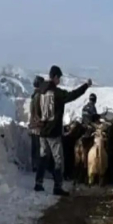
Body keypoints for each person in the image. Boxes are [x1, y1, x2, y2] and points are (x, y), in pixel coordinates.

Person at [35, 65, 91, 196]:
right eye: (58, 78)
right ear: (55, 77)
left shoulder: (40, 93)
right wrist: (85, 86)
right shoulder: (56, 93)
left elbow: (37, 111)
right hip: (54, 132)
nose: (59, 80)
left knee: (43, 158)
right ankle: (58, 187)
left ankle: (38, 183)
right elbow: (72, 95)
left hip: (42, 132)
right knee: (58, 159)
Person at [28, 76, 45, 172]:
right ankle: (39, 167)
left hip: (33, 125)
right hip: (38, 126)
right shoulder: (40, 97)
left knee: (34, 147)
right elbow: (39, 112)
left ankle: (34, 165)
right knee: (39, 147)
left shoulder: (33, 96)